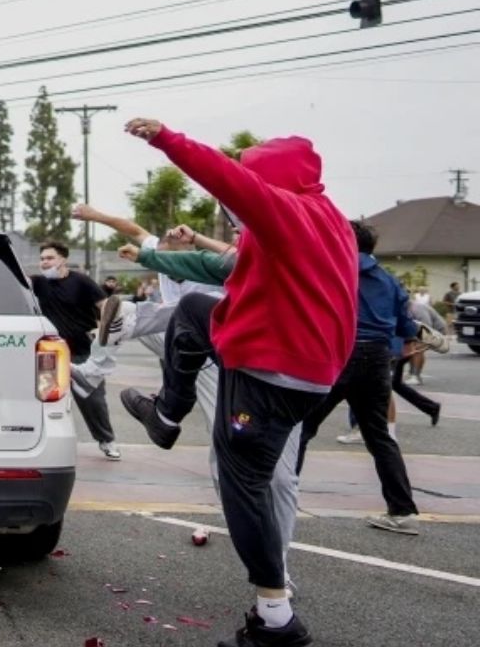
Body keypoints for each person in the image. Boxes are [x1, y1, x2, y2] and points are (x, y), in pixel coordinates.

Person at [119, 118, 357, 647]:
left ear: (268, 185)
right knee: (193, 310)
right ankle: (167, 412)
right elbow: (216, 266)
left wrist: (165, 138)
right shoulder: (330, 220)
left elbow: (225, 178)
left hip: (270, 377)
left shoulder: (284, 212)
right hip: (309, 376)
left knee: (244, 485)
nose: (233, 217)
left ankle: (276, 619)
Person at [77, 206, 305, 599]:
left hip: (236, 359)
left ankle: (277, 567)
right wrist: (94, 215)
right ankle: (107, 361)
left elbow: (233, 259)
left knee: (276, 477)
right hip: (190, 352)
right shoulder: (171, 255)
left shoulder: (228, 269)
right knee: (171, 317)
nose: (176, 267)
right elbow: (129, 225)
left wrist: (197, 242)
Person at [298, 221, 425, 536]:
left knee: (300, 429)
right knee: (379, 436)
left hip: (340, 354)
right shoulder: (389, 280)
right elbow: (407, 329)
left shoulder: (332, 270)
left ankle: (278, 498)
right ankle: (402, 510)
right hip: (378, 359)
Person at [30, 241, 121, 461]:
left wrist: (104, 330)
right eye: (42, 259)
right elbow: (14, 280)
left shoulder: (81, 281)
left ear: (63, 259)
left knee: (94, 401)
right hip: (51, 355)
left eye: (49, 258)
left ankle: (107, 441)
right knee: (47, 399)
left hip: (83, 353)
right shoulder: (38, 283)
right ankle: (45, 444)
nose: (44, 263)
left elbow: (107, 306)